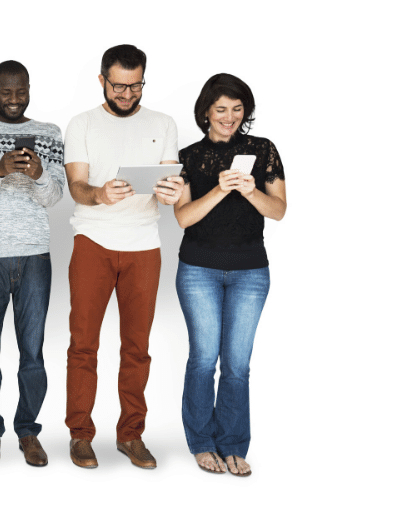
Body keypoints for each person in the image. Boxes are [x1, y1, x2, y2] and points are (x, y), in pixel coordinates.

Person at [64, 44, 185, 470]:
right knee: (83, 345)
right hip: (93, 241)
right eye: (118, 86)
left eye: (136, 86)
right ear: (102, 80)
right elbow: (76, 186)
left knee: (137, 347)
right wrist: (99, 194)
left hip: (144, 245)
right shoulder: (82, 123)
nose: (127, 94)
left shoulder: (163, 123)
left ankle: (131, 434)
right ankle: (80, 435)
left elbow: (168, 184)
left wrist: (171, 192)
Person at [174, 73, 286, 477]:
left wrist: (251, 191)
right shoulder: (187, 156)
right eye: (221, 109)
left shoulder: (263, 149)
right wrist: (220, 189)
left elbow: (278, 210)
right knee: (204, 359)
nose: (229, 117)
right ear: (206, 111)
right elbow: (183, 218)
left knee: (238, 364)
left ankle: (234, 445)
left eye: (237, 109)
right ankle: (202, 443)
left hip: (250, 272)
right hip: (198, 271)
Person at [0, 60, 65, 467]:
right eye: (6, 92)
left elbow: (53, 198)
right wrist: (0, 171)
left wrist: (38, 175)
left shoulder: (49, 134)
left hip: (35, 252)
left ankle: (28, 431)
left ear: (29, 89)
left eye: (21, 91)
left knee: (32, 352)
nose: (15, 99)